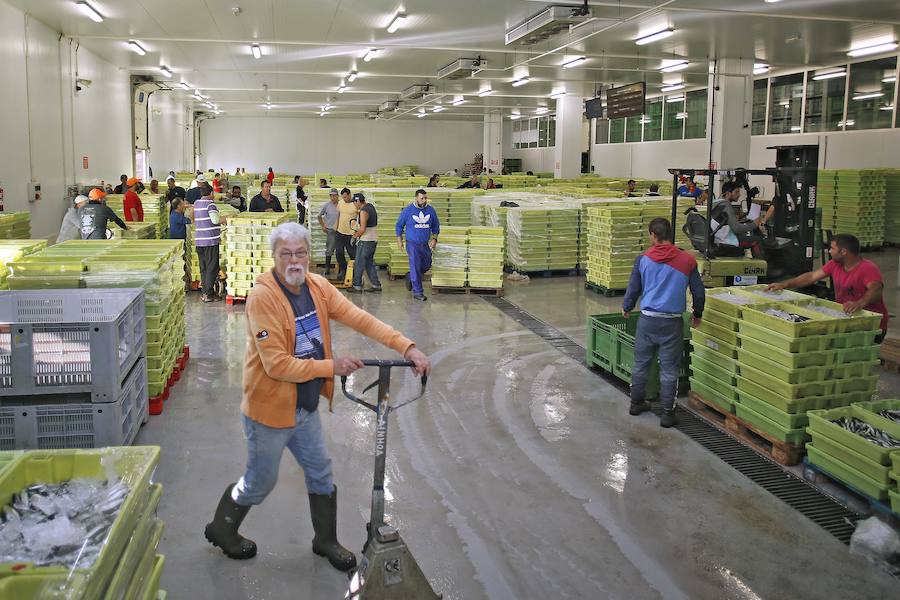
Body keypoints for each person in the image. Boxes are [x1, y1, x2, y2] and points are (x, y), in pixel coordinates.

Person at [203, 221, 431, 570]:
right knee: (259, 483)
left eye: (301, 253)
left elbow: (360, 318)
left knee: (321, 473)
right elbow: (277, 365)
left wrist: (407, 347)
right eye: (286, 254)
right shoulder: (263, 298)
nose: (294, 261)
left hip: (305, 406)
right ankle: (222, 527)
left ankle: (325, 541)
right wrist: (331, 366)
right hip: (269, 412)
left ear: (309, 255)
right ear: (274, 257)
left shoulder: (317, 286)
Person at [622, 218, 705, 428]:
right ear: (670, 234)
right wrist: (698, 314)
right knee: (669, 369)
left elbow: (634, 288)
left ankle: (636, 403)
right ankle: (667, 414)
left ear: (653, 235)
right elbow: (698, 292)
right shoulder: (687, 260)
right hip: (672, 323)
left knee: (641, 364)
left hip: (648, 320)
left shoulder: (643, 259)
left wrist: (627, 306)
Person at [767, 234, 889, 343]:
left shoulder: (867, 268)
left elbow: (876, 289)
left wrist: (860, 303)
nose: (829, 251)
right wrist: (784, 284)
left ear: (844, 251)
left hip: (871, 325)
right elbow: (811, 276)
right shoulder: (835, 264)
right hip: (848, 320)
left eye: (832, 248)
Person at [396, 189, 439, 301]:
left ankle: (410, 276)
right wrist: (399, 240)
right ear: (416, 198)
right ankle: (418, 292)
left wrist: (434, 238)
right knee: (415, 266)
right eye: (422, 198)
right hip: (412, 244)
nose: (424, 200)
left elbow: (435, 226)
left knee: (426, 265)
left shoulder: (431, 211)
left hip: (425, 244)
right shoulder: (408, 211)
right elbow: (399, 226)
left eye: (425, 198)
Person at [710, 181, 764, 258]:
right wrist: (754, 224)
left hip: (717, 238)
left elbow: (724, 221)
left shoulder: (716, 203)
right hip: (724, 240)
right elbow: (737, 228)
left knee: (743, 235)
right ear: (728, 193)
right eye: (736, 192)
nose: (739, 194)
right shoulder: (726, 206)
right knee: (757, 240)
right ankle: (762, 266)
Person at [194, 183, 225, 303]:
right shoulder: (210, 204)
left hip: (199, 241)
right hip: (210, 241)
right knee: (212, 267)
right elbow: (215, 220)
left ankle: (206, 293)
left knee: (204, 268)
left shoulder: (197, 204)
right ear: (211, 193)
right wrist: (227, 219)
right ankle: (208, 294)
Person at [349, 193, 381, 293]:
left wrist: (354, 236)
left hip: (366, 241)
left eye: (354, 202)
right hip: (373, 239)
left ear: (358, 201)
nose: (354, 204)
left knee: (359, 262)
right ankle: (376, 285)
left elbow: (362, 229)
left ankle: (357, 286)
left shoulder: (363, 211)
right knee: (369, 263)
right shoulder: (370, 207)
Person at [334, 188, 358, 282]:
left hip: (351, 234)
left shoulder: (355, 204)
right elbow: (338, 215)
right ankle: (343, 270)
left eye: (345, 197)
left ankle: (355, 272)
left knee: (352, 253)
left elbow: (361, 217)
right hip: (340, 232)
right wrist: (335, 227)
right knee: (339, 252)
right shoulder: (340, 203)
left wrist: (357, 231)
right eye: (343, 197)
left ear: (349, 195)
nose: (344, 199)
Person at [317, 189, 340, 277]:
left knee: (340, 250)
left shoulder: (341, 205)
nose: (333, 197)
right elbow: (319, 216)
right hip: (331, 230)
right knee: (329, 249)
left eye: (334, 195)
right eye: (331, 196)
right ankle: (327, 268)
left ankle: (341, 269)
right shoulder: (327, 205)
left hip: (341, 231)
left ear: (338, 196)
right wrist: (323, 226)